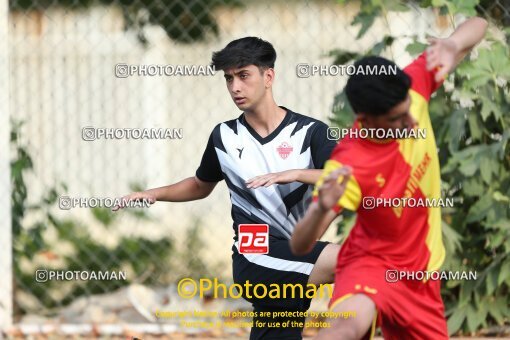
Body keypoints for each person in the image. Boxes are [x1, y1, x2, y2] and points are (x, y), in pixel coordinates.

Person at [114, 36, 339, 340]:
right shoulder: (224, 137)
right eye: (228, 78)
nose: (235, 87)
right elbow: (199, 185)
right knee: (351, 261)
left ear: (268, 76)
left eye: (243, 75)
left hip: (294, 252)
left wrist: (296, 173)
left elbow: (343, 178)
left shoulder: (310, 132)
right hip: (254, 253)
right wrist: (154, 194)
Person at [290, 17, 488, 340]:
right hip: (372, 264)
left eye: (408, 109)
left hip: (421, 276)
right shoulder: (350, 164)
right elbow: (301, 245)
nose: (411, 122)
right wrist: (318, 209)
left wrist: (452, 45)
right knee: (346, 326)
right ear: (364, 120)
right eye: (396, 120)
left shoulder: (413, 84)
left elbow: (477, 24)